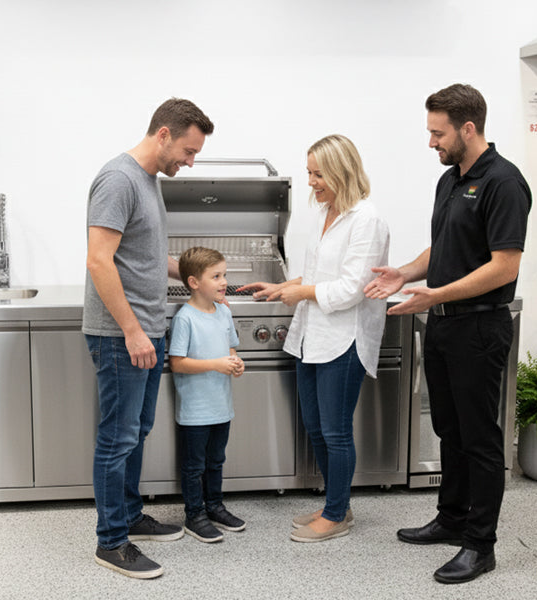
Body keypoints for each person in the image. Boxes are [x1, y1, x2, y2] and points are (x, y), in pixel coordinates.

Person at [364, 83, 531, 584]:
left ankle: (481, 545)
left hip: (480, 325)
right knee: (449, 430)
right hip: (441, 326)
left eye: (438, 133)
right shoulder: (452, 180)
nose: (431, 143)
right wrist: (406, 274)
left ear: (468, 128)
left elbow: (504, 267)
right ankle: (452, 518)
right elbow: (442, 247)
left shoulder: (504, 183)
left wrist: (437, 295)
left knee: (480, 438)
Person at [83, 98, 214, 579]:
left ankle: (130, 515)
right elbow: (100, 260)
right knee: (116, 440)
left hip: (145, 331)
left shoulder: (148, 181)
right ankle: (111, 541)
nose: (190, 160)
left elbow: (149, 257)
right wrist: (134, 331)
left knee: (135, 433)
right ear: (163, 134)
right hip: (122, 336)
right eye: (188, 149)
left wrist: (204, 278)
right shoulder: (119, 180)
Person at [238, 134, 389, 543]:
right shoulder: (326, 214)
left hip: (344, 339)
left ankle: (337, 513)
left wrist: (300, 293)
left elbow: (351, 289)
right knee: (316, 427)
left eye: (318, 173)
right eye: (309, 172)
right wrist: (279, 287)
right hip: (312, 337)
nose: (311, 182)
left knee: (336, 430)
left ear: (342, 170)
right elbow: (323, 277)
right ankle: (335, 504)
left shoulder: (366, 220)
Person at [168, 246, 247, 543]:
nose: (224, 281)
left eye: (224, 275)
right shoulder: (185, 318)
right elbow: (177, 363)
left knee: (216, 460)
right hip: (195, 411)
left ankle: (214, 506)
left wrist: (236, 363)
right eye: (216, 276)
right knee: (193, 466)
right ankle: (194, 514)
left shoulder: (224, 311)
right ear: (193, 282)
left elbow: (230, 349)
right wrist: (216, 364)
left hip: (221, 406)